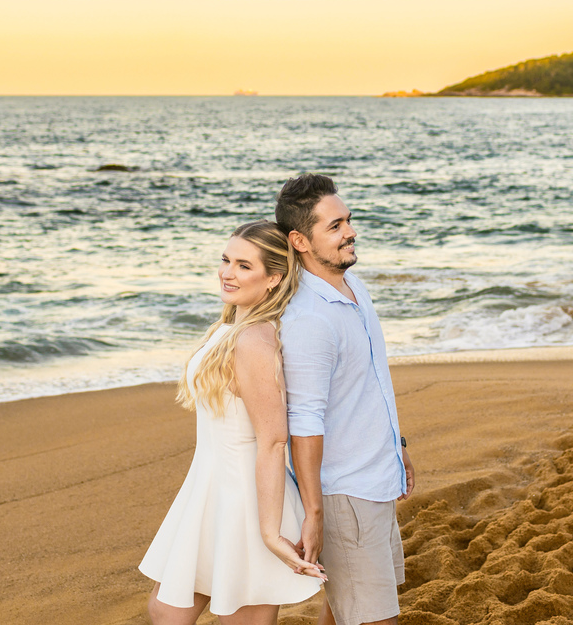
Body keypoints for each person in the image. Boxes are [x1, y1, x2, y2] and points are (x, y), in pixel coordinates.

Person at [139, 220, 326, 625]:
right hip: (209, 489)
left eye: (244, 266)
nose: (227, 272)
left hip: (244, 499)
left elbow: (273, 441)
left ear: (274, 278)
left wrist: (270, 533)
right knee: (164, 610)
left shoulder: (253, 340)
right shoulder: (231, 327)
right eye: (226, 260)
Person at [275, 174, 415, 625]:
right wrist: (315, 512)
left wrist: (400, 448)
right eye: (334, 226)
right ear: (300, 240)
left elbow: (369, 385)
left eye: (348, 220)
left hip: (374, 475)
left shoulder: (354, 289)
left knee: (341, 609)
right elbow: (305, 421)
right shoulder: (309, 319)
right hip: (345, 493)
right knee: (375, 617)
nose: (350, 231)